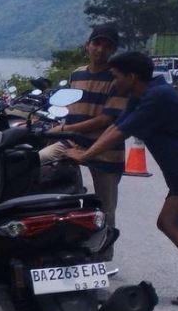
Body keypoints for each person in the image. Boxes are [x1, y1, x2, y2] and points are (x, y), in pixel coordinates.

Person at [65, 50, 178, 308]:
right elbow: (116, 126)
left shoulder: (158, 97)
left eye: (116, 76)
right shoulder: (141, 95)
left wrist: (84, 155)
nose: (113, 82)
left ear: (132, 76)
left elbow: (121, 133)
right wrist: (85, 152)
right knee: (168, 222)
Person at [37, 26, 127, 254]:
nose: (100, 49)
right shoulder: (77, 74)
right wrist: (60, 128)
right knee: (35, 162)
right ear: (87, 45)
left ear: (113, 50)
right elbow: (69, 106)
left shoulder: (116, 79)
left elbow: (106, 119)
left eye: (107, 46)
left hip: (105, 147)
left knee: (106, 207)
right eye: (97, 43)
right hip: (71, 141)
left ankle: (104, 254)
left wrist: (66, 128)